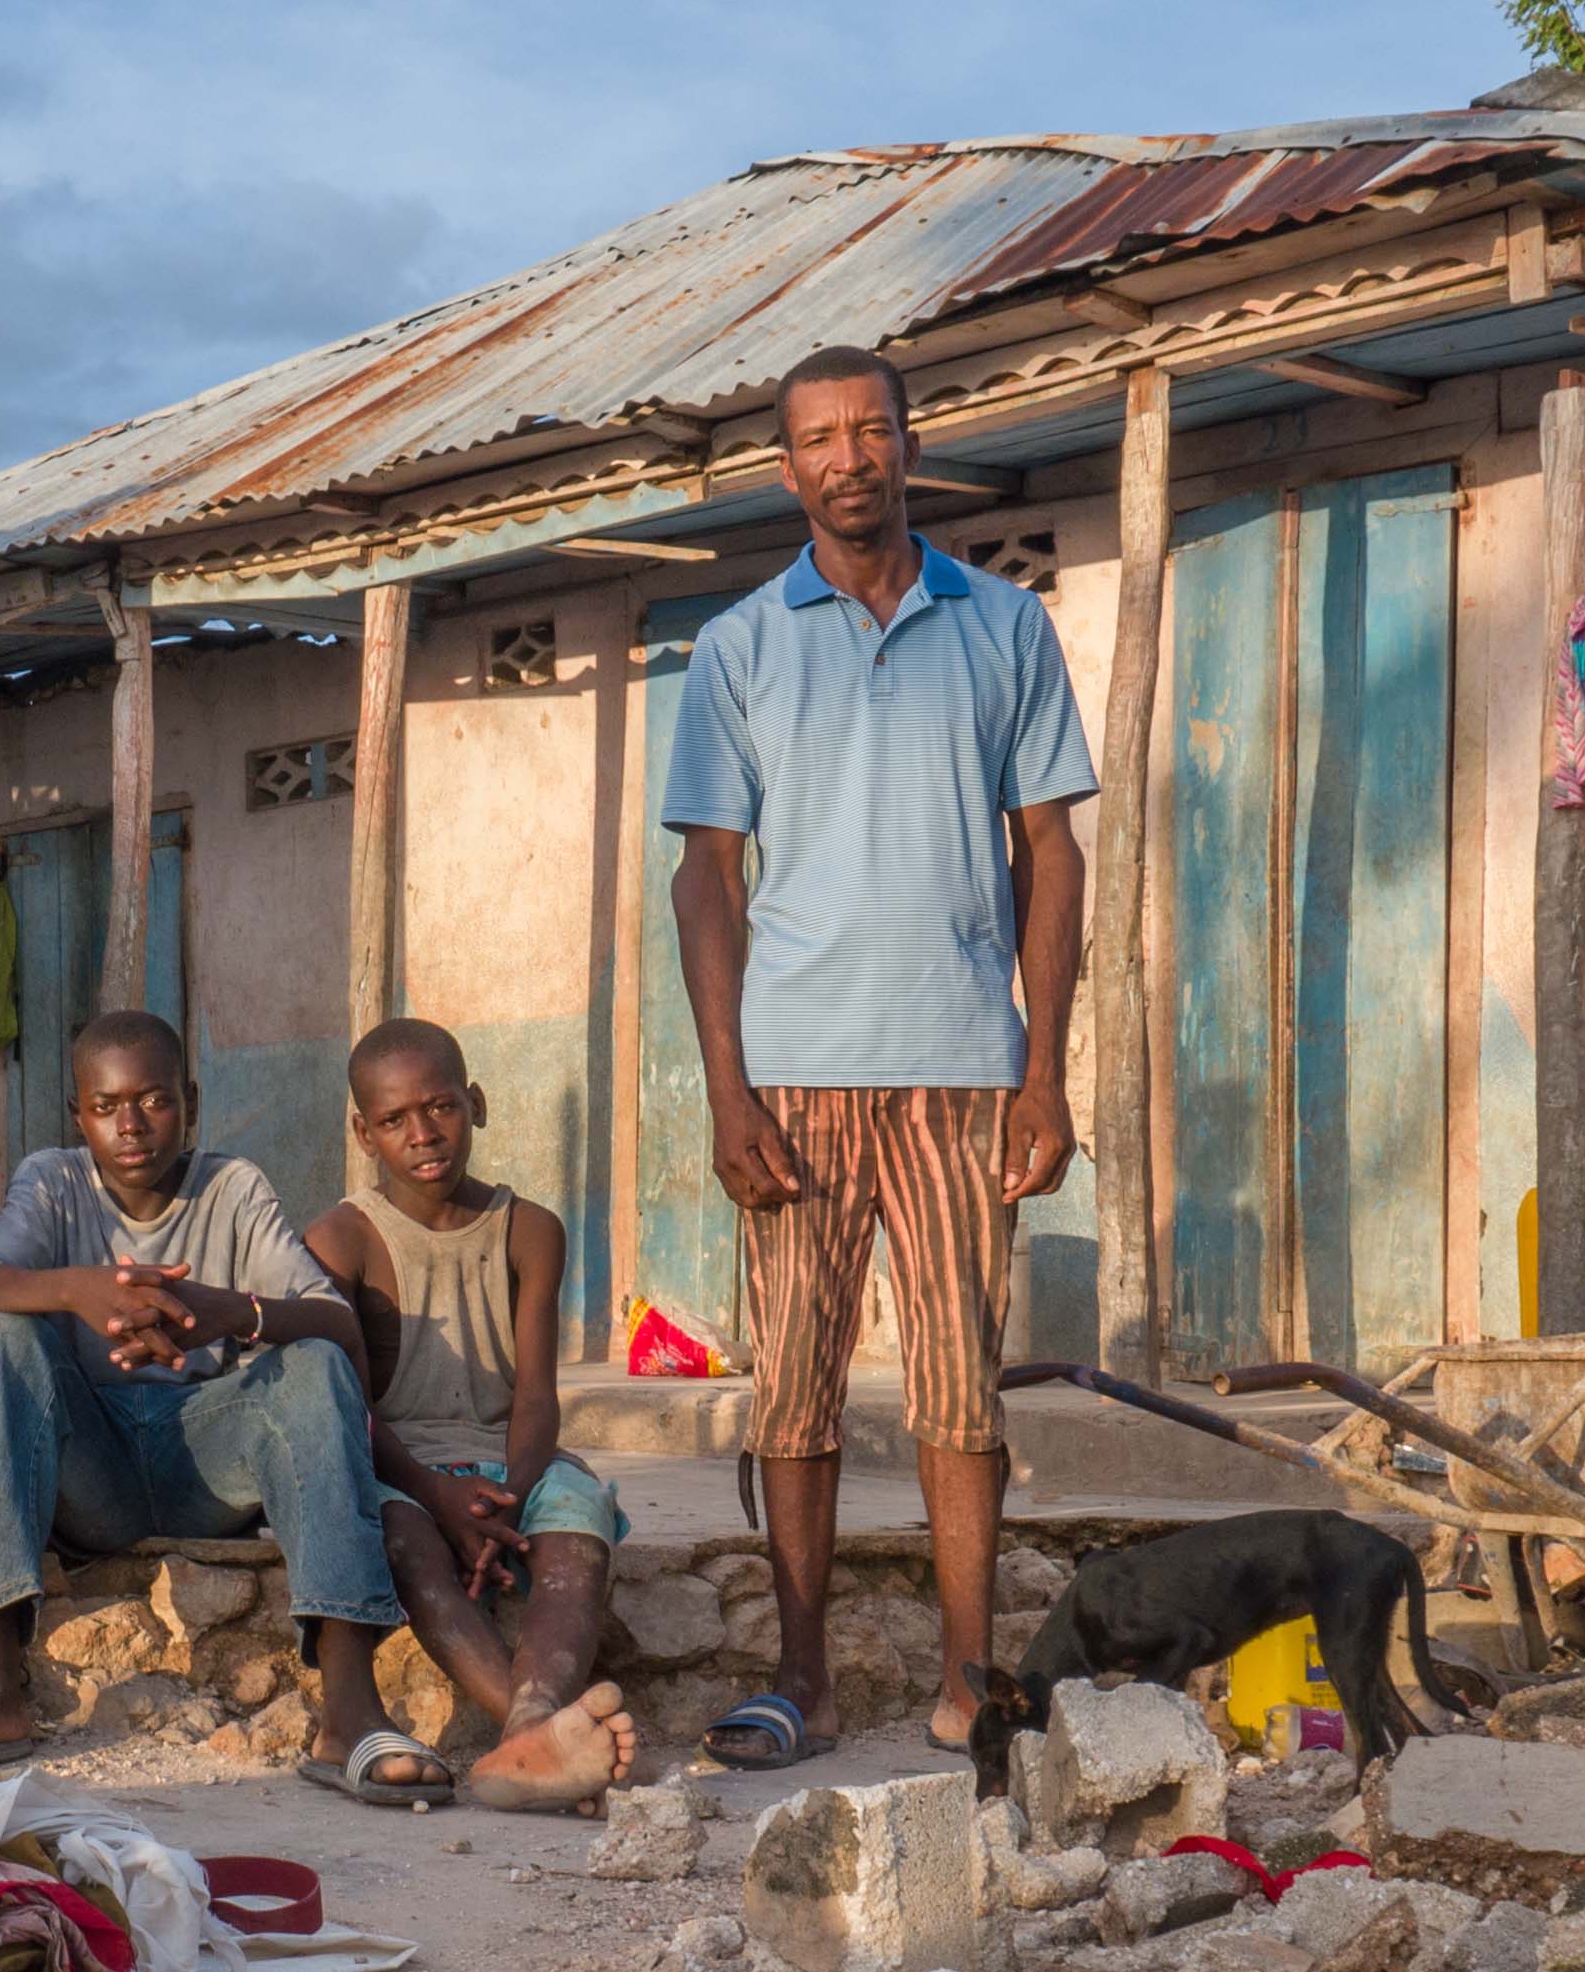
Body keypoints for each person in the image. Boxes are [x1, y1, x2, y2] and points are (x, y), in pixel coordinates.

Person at [660, 343, 1093, 1770]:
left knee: (960, 1385)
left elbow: (1051, 854)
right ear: (786, 470)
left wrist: (1044, 1070)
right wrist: (728, 1088)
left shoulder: (1006, 627)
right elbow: (706, 881)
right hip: (794, 1076)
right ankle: (804, 1679)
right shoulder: (738, 648)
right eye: (818, 439)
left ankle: (971, 1684)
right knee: (792, 1385)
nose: (848, 457)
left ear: (911, 444)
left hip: (966, 1069)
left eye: (871, 430)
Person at [0, 1010, 432, 1804]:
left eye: (154, 1101)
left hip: (208, 1460)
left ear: (190, 1101)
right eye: (106, 1107)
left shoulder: (233, 1187)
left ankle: (349, 1707)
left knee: (313, 1364)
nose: (131, 1126)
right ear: (78, 1115)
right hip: (89, 1463)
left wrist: (223, 1310)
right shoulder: (53, 1181)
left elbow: (334, 1320)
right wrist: (81, 1291)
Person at [301, 1017, 638, 1815]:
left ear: (476, 1103)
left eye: (442, 1106)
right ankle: (543, 1739)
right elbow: (344, 1407)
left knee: (577, 1525)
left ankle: (529, 1728)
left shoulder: (530, 1230)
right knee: (405, 1541)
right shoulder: (341, 1240)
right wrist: (440, 1495)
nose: (423, 1134)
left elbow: (534, 1398)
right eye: (393, 1120)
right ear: (363, 1132)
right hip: (402, 1468)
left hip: (513, 1461)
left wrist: (513, 1496)